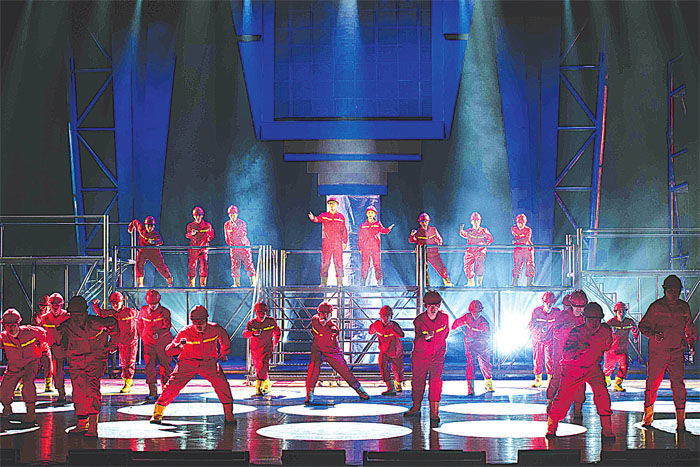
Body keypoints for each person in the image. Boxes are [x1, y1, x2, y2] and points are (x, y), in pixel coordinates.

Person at [151, 306, 236, 425]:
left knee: (222, 385)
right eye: (195, 322)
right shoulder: (185, 332)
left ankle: (229, 414)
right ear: (192, 321)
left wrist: (224, 352)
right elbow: (169, 351)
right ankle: (157, 413)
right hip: (187, 363)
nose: (198, 325)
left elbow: (224, 339)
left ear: (206, 319)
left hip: (208, 363)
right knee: (172, 387)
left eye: (201, 321)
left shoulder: (215, 329)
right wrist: (178, 347)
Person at [546, 302, 614, 439]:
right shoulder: (576, 332)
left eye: (597, 319)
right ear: (585, 318)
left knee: (603, 396)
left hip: (593, 367)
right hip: (573, 368)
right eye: (591, 319)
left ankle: (607, 430)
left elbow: (607, 346)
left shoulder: (605, 330)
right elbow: (567, 354)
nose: (594, 323)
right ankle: (551, 429)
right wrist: (580, 349)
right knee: (562, 399)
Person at [639, 275, 697, 431]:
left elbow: (689, 326)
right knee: (652, 384)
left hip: (676, 352)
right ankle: (647, 418)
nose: (673, 293)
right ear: (664, 291)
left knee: (678, 386)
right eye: (670, 290)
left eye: (676, 291)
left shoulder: (683, 307)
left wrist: (691, 342)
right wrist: (653, 335)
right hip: (658, 353)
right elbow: (642, 326)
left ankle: (680, 421)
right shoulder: (656, 307)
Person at [58, 296, 118, 437]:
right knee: (78, 392)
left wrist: (113, 344)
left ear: (85, 313)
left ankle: (92, 426)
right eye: (73, 314)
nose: (77, 318)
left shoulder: (96, 323)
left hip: (95, 360)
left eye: (79, 314)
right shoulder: (67, 326)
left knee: (92, 391)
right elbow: (60, 340)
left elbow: (113, 324)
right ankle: (81, 423)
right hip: (76, 362)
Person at [305, 302, 369, 404]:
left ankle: (360, 390)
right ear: (319, 313)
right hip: (318, 350)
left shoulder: (333, 328)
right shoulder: (314, 320)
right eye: (322, 313)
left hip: (332, 352)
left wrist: (325, 325)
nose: (325, 315)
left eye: (327, 313)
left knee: (344, 371)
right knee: (313, 369)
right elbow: (318, 329)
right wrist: (324, 324)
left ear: (331, 314)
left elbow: (326, 334)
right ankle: (309, 394)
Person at [404, 290, 450, 427]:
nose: (433, 308)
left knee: (436, 382)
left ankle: (434, 412)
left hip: (437, 356)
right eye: (430, 305)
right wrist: (426, 338)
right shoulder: (419, 321)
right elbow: (417, 340)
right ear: (425, 306)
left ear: (439, 305)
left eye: (436, 305)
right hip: (421, 356)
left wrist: (438, 347)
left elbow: (445, 333)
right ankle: (416, 407)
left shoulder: (444, 318)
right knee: (418, 382)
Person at [0, 308, 48, 428]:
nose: (11, 328)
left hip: (30, 364)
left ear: (18, 324)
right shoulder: (3, 337)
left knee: (28, 385)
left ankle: (31, 413)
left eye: (13, 325)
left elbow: (45, 336)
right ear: (4, 326)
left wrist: (42, 350)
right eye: (7, 326)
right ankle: (7, 409)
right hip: (14, 367)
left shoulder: (30, 331)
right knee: (4, 390)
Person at [547, 290, 587, 418]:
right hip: (562, 355)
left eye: (581, 307)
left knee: (580, 383)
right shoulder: (562, 317)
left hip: (579, 357)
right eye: (576, 306)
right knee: (557, 378)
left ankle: (577, 409)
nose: (579, 309)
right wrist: (571, 328)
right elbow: (557, 333)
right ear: (571, 305)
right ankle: (550, 402)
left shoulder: (587, 318)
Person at [92, 292, 139, 393]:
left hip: (131, 342)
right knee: (124, 362)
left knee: (129, 362)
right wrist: (95, 305)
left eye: (117, 302)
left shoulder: (131, 312)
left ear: (122, 302)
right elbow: (101, 313)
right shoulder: (113, 313)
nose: (115, 305)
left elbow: (142, 318)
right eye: (113, 303)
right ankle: (127, 380)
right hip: (121, 342)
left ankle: (128, 382)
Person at [137, 289, 173, 401]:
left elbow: (167, 326)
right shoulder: (143, 311)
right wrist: (144, 336)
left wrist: (158, 334)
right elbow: (140, 325)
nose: (152, 306)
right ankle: (152, 391)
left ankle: (166, 391)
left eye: (154, 304)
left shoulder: (165, 312)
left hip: (163, 343)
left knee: (165, 366)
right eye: (150, 304)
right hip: (149, 344)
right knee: (150, 367)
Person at [451, 300, 493, 395]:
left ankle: (489, 384)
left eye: (477, 312)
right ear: (470, 311)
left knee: (485, 365)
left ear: (480, 311)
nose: (475, 314)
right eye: (474, 312)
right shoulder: (467, 317)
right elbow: (457, 322)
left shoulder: (484, 322)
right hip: (470, 346)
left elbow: (487, 335)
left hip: (482, 346)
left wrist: (475, 339)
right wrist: (454, 326)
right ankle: (470, 388)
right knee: (471, 365)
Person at [37, 292, 70, 403]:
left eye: (58, 305)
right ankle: (61, 392)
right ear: (49, 305)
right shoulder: (45, 318)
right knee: (57, 371)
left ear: (62, 305)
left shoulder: (68, 316)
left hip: (70, 348)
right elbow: (40, 333)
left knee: (77, 372)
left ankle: (79, 393)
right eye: (53, 305)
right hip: (55, 349)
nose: (55, 307)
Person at [242, 302, 281, 396]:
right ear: (256, 313)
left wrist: (275, 342)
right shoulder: (252, 323)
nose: (261, 314)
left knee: (263, 366)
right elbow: (245, 334)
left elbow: (277, 332)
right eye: (259, 312)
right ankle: (265, 384)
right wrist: (253, 333)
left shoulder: (271, 321)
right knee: (259, 367)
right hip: (256, 350)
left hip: (267, 348)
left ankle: (260, 385)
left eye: (263, 312)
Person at [308, 198, 348, 286]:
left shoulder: (341, 217)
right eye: (330, 203)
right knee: (325, 262)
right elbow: (317, 219)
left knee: (339, 263)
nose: (331, 205)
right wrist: (313, 218)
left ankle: (340, 283)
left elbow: (344, 230)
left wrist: (344, 242)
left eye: (333, 203)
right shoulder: (324, 215)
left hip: (337, 243)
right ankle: (323, 283)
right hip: (327, 243)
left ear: (337, 205)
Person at [368, 305, 405, 395]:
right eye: (384, 316)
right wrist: (374, 327)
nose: (386, 318)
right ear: (380, 316)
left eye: (388, 316)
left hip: (395, 351)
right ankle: (390, 388)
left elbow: (401, 335)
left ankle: (398, 384)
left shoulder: (394, 325)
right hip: (384, 350)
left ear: (391, 316)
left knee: (397, 369)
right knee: (383, 367)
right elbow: (370, 331)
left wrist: (392, 328)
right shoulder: (377, 325)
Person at [603, 302, 639, 392]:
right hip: (611, 350)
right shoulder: (611, 323)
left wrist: (635, 336)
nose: (622, 313)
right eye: (619, 311)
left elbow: (635, 330)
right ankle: (607, 380)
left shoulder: (629, 322)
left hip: (623, 350)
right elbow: (602, 334)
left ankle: (618, 384)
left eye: (623, 311)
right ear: (615, 312)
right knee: (608, 368)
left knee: (624, 366)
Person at [128, 216, 173, 288]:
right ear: (145, 225)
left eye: (151, 226)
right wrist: (130, 228)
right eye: (148, 226)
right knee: (139, 265)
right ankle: (140, 283)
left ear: (153, 226)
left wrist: (154, 241)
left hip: (153, 253)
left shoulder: (155, 234)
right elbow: (135, 222)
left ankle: (169, 280)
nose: (150, 228)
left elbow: (160, 241)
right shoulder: (141, 230)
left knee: (161, 266)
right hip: (143, 251)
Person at [409, 213, 452, 287]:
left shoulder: (433, 229)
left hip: (433, 253)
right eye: (422, 222)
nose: (424, 223)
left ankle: (447, 282)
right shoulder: (418, 232)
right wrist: (412, 235)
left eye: (425, 221)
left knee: (440, 268)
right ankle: (426, 285)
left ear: (428, 221)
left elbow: (439, 239)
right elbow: (412, 240)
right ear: (420, 222)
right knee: (423, 270)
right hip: (423, 254)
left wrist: (439, 244)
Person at [529, 292, 559, 388]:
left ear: (554, 303)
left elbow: (559, 326)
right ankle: (538, 380)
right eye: (547, 302)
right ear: (543, 302)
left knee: (550, 360)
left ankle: (550, 380)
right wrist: (539, 331)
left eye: (551, 303)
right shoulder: (537, 311)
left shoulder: (557, 312)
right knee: (537, 360)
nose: (549, 305)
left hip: (550, 340)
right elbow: (531, 325)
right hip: (538, 340)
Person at [358, 206, 394, 286]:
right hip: (366, 248)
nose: (370, 214)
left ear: (375, 214)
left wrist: (388, 229)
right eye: (369, 213)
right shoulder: (363, 225)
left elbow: (383, 231)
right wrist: (360, 248)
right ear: (366, 214)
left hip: (375, 248)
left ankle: (379, 282)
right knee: (365, 265)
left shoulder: (377, 224)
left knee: (377, 264)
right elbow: (360, 237)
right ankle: (363, 281)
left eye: (372, 213)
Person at [224, 205, 257, 287]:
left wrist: (236, 228)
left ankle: (253, 283)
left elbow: (243, 234)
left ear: (237, 214)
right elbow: (227, 237)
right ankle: (236, 283)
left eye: (234, 214)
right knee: (235, 266)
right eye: (231, 215)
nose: (232, 216)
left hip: (243, 247)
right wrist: (231, 245)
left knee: (248, 264)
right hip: (234, 248)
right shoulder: (227, 224)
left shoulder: (242, 223)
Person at [459, 212, 493, 287]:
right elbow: (463, 234)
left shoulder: (484, 230)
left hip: (480, 251)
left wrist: (485, 245)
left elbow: (490, 238)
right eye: (474, 221)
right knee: (467, 266)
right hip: (470, 251)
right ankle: (471, 282)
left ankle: (479, 283)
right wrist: (461, 230)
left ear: (480, 221)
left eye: (477, 220)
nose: (476, 222)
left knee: (480, 265)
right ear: (471, 222)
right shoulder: (469, 231)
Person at [185, 206, 215, 287]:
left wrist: (208, 237)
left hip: (203, 248)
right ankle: (191, 284)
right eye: (196, 216)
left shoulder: (207, 225)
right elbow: (187, 235)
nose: (198, 217)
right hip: (193, 249)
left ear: (202, 216)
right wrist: (191, 233)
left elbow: (211, 236)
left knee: (204, 266)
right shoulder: (190, 225)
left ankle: (203, 284)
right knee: (192, 266)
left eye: (199, 215)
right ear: (193, 216)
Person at [35, 295, 55, 393]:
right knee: (31, 366)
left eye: (44, 306)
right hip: (36, 345)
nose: (42, 308)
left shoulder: (52, 315)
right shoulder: (37, 316)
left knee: (48, 364)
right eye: (41, 306)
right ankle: (22, 383)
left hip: (46, 344)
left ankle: (48, 385)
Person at [511, 213, 535, 286]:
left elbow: (526, 239)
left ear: (525, 222)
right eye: (519, 223)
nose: (520, 225)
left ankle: (529, 282)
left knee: (530, 264)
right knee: (517, 264)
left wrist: (517, 241)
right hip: (518, 249)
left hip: (528, 248)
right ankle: (515, 282)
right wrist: (518, 241)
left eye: (522, 223)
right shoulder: (514, 229)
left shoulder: (528, 230)